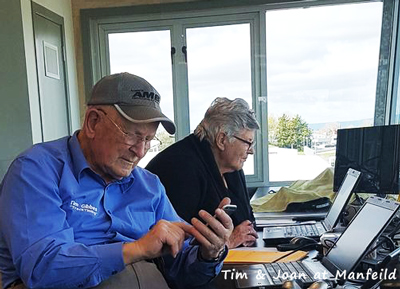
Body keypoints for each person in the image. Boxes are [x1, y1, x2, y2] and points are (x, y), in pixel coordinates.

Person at [0, 73, 233, 289]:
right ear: (93, 122)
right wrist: (137, 249)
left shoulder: (149, 186)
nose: (140, 151)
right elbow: (43, 268)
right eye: (132, 134)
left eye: (149, 139)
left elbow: (182, 270)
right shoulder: (36, 170)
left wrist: (208, 252)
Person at [146, 97, 259, 249]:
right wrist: (228, 242)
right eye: (248, 143)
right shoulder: (180, 167)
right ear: (222, 140)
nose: (251, 151)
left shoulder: (231, 167)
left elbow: (248, 221)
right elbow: (175, 242)